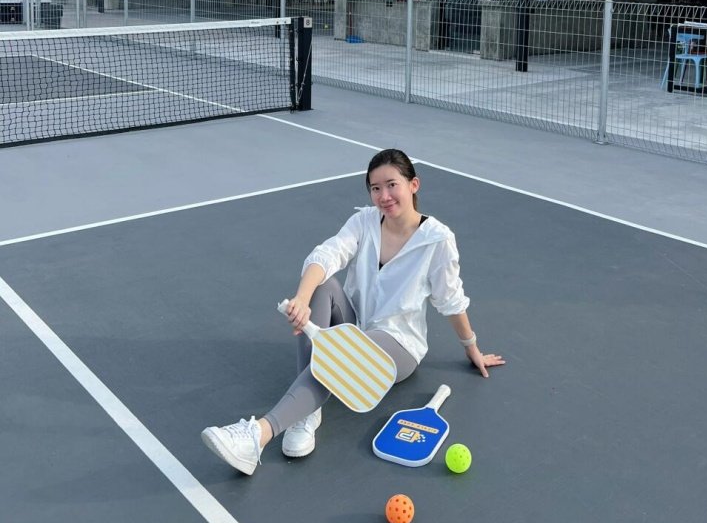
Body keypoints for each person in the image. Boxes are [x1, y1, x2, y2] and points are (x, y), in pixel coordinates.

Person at [201, 148, 505, 476]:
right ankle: (307, 412)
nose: (384, 196)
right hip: (354, 323)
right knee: (321, 286)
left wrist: (471, 346)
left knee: (345, 352)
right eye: (375, 188)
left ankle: (258, 435)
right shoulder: (364, 221)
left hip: (398, 344)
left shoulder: (437, 240)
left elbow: (451, 301)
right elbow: (327, 254)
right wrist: (302, 299)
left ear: (413, 184)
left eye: (392, 184)